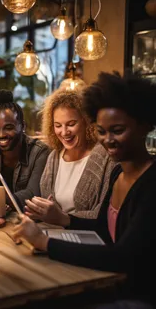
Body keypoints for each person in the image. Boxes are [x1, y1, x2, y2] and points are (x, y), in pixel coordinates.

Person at [13, 72, 156, 307]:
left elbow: (123, 256)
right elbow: (100, 227)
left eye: (118, 130)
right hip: (111, 282)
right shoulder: (118, 175)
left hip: (137, 295)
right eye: (101, 131)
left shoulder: (151, 183)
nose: (107, 140)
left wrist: (44, 243)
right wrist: (62, 220)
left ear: (145, 126)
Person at [25, 87, 116, 225]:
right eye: (58, 125)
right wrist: (39, 213)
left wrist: (61, 217)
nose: (64, 132)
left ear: (87, 122)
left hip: (85, 236)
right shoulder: (54, 156)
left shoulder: (105, 157)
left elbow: (103, 215)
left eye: (71, 124)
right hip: (51, 231)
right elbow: (48, 204)